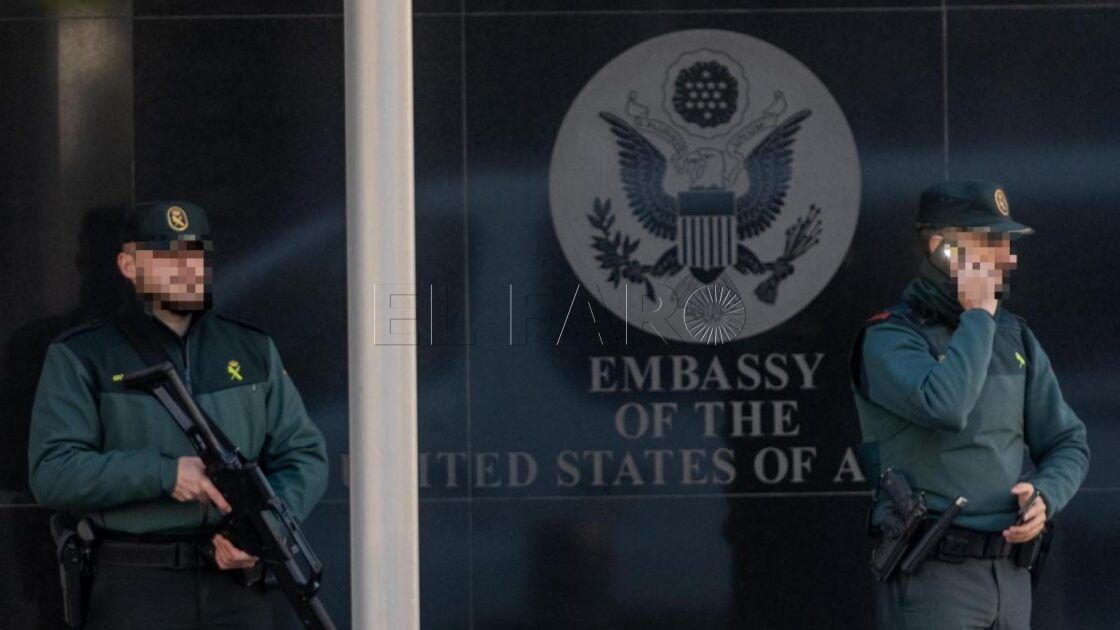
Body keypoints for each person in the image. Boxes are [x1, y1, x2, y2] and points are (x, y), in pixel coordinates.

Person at [28, 201, 329, 629]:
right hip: (138, 585)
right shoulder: (83, 354)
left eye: (195, 255)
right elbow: (53, 473)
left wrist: (265, 530)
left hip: (237, 584)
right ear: (129, 266)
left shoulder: (251, 349)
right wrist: (167, 475)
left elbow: (304, 456)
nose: (186, 269)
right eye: (166, 257)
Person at [851, 181, 1090, 629]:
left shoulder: (1013, 335)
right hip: (935, 577)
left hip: (1011, 572)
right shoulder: (890, 337)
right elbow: (946, 406)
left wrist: (1045, 495)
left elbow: (1068, 441)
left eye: (1008, 243)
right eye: (991, 241)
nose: (1009, 257)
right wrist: (978, 316)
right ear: (942, 248)